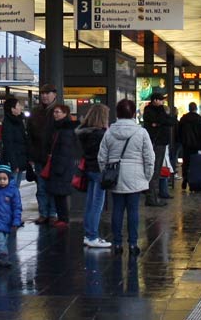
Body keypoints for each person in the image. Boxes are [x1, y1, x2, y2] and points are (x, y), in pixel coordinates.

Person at [98, 99, 154, 255]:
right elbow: (149, 157)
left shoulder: (109, 132)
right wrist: (147, 177)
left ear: (117, 113)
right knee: (133, 210)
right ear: (134, 113)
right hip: (136, 176)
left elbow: (101, 157)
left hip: (115, 176)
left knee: (117, 210)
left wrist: (107, 173)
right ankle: (133, 244)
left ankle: (117, 243)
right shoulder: (141, 132)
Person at [76, 103, 111, 248]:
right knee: (97, 204)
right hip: (99, 170)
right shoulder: (101, 134)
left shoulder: (84, 133)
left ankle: (88, 234)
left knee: (90, 203)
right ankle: (92, 236)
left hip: (88, 169)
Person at [27, 83, 59, 224]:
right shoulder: (35, 112)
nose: (44, 96)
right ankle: (43, 212)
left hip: (54, 156)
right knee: (41, 186)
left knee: (53, 186)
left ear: (54, 94)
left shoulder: (58, 111)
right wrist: (31, 155)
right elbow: (29, 134)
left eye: (47, 93)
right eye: (42, 93)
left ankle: (52, 213)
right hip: (39, 155)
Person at [46, 104, 80, 227]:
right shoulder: (61, 128)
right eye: (54, 112)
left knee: (60, 194)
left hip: (61, 167)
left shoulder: (65, 130)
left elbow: (65, 151)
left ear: (65, 114)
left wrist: (59, 168)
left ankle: (63, 218)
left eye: (58, 112)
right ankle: (62, 218)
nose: (55, 114)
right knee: (58, 193)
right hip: (61, 165)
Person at [142, 93, 171, 206]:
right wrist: (160, 122)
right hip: (156, 143)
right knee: (154, 170)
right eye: (160, 100)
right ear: (155, 100)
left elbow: (170, 121)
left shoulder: (160, 110)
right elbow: (163, 120)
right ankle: (152, 198)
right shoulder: (149, 110)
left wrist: (158, 123)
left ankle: (153, 196)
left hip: (161, 142)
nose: (162, 102)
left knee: (157, 171)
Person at [178, 102, 201, 191]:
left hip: (186, 145)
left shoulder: (183, 119)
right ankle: (193, 182)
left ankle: (185, 179)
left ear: (189, 108)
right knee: (195, 164)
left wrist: (181, 141)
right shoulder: (200, 119)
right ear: (196, 108)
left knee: (186, 163)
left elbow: (179, 132)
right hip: (197, 145)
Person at [0, 98, 28, 188]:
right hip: (13, 161)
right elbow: (8, 144)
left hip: (20, 159)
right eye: (18, 105)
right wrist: (13, 163)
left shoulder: (19, 121)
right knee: (11, 187)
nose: (20, 107)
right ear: (12, 109)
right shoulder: (8, 123)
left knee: (15, 187)